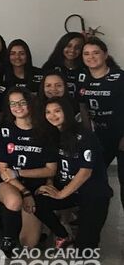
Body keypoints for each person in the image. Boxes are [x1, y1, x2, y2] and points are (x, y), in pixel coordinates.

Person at [35, 97, 112, 249]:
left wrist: (61, 194)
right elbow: (52, 165)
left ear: (67, 112)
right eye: (48, 112)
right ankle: (63, 235)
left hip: (93, 194)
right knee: (37, 201)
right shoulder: (52, 134)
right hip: (71, 191)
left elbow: (85, 172)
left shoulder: (85, 135)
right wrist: (50, 185)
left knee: (85, 250)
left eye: (57, 111)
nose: (52, 115)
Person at [0, 87, 57, 251]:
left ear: (30, 103)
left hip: (35, 186)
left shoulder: (45, 130)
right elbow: (4, 171)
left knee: (29, 243)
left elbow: (51, 170)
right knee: (14, 200)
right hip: (10, 184)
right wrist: (25, 192)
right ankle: (8, 238)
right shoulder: (5, 128)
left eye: (22, 102)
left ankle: (30, 218)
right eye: (13, 103)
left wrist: (20, 173)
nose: (18, 107)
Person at [77, 37, 123, 210]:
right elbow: (82, 106)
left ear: (105, 55)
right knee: (93, 176)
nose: (91, 57)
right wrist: (88, 135)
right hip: (99, 137)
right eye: (86, 53)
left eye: (96, 52)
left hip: (120, 136)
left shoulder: (119, 77)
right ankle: (90, 216)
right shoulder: (82, 78)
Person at [41, 32, 85, 97]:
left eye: (77, 47)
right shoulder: (50, 67)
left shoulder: (86, 68)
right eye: (69, 46)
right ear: (62, 46)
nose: (72, 50)